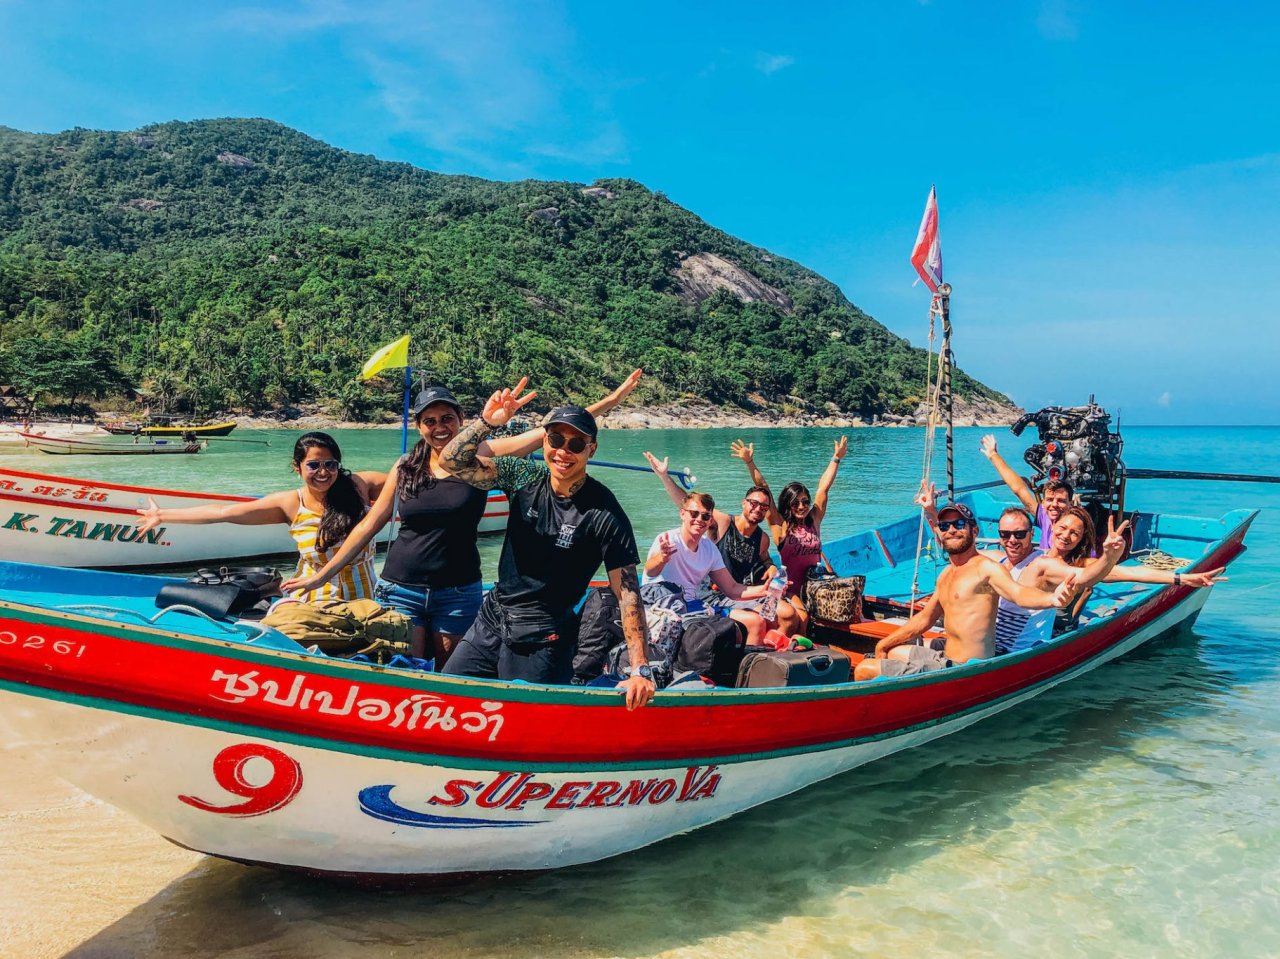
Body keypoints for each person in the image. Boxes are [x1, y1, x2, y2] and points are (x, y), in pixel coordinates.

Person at [280, 371, 642, 665]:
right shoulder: (406, 466)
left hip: (457, 592)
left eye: (447, 419)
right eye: (430, 420)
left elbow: (558, 437)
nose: (439, 427)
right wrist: (320, 577)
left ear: (460, 421)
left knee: (451, 678)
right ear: (419, 425)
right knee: (403, 671)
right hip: (401, 587)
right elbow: (369, 525)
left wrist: (608, 403)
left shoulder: (484, 454)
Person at [437, 379, 655, 710]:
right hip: (493, 617)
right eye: (555, 439)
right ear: (544, 441)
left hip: (543, 636)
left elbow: (626, 593)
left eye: (575, 444)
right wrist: (487, 424)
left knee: (525, 719)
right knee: (448, 698)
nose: (562, 451)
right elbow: (450, 462)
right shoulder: (524, 478)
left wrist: (640, 669)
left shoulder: (604, 513)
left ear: (591, 450)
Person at [138, 432, 386, 603]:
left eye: (330, 464)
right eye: (314, 465)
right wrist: (163, 515)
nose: (323, 472)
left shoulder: (358, 486)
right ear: (297, 467)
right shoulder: (290, 503)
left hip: (363, 601)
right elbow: (223, 513)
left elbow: (412, 484)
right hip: (311, 602)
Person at [854, 502, 1076, 681]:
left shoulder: (987, 568)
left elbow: (1018, 594)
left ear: (974, 530)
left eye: (959, 524)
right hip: (946, 657)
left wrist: (1053, 598)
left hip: (965, 670)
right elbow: (924, 618)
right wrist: (885, 643)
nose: (951, 530)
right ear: (939, 534)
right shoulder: (947, 575)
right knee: (893, 651)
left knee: (864, 669)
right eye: (945, 526)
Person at [642, 451, 800, 636]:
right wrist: (664, 476)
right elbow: (650, 571)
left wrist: (768, 577)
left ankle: (767, 653)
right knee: (755, 621)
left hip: (726, 593)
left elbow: (738, 583)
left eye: (764, 507)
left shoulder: (758, 539)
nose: (700, 520)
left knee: (787, 615)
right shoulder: (720, 524)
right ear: (744, 503)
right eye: (753, 503)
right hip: (698, 597)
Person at [733, 436, 848, 628]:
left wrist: (836, 458)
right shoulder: (780, 525)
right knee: (802, 617)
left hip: (814, 584)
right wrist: (749, 462)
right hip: (788, 587)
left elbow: (823, 488)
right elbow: (764, 488)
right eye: (795, 503)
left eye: (805, 501)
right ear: (788, 504)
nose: (801, 506)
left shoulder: (814, 520)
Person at [642, 489, 771, 641]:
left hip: (694, 605)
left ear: (710, 521)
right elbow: (650, 571)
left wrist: (765, 590)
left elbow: (732, 588)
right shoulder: (668, 539)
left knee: (756, 622)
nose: (699, 519)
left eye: (705, 516)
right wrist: (662, 558)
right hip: (662, 605)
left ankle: (748, 664)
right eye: (694, 513)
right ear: (682, 514)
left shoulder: (709, 549)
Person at [980, 434, 1073, 549]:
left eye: (1061, 501)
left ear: (1071, 504)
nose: (1054, 505)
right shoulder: (1045, 517)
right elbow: (1018, 489)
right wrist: (993, 455)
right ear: (1043, 503)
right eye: (1049, 500)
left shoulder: (1076, 528)